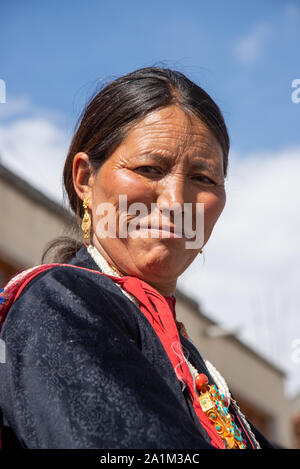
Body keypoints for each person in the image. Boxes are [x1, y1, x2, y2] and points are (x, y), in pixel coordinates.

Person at [0, 67, 273, 449]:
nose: (176, 203)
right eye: (148, 169)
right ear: (85, 180)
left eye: (203, 178)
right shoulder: (60, 301)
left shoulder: (187, 359)